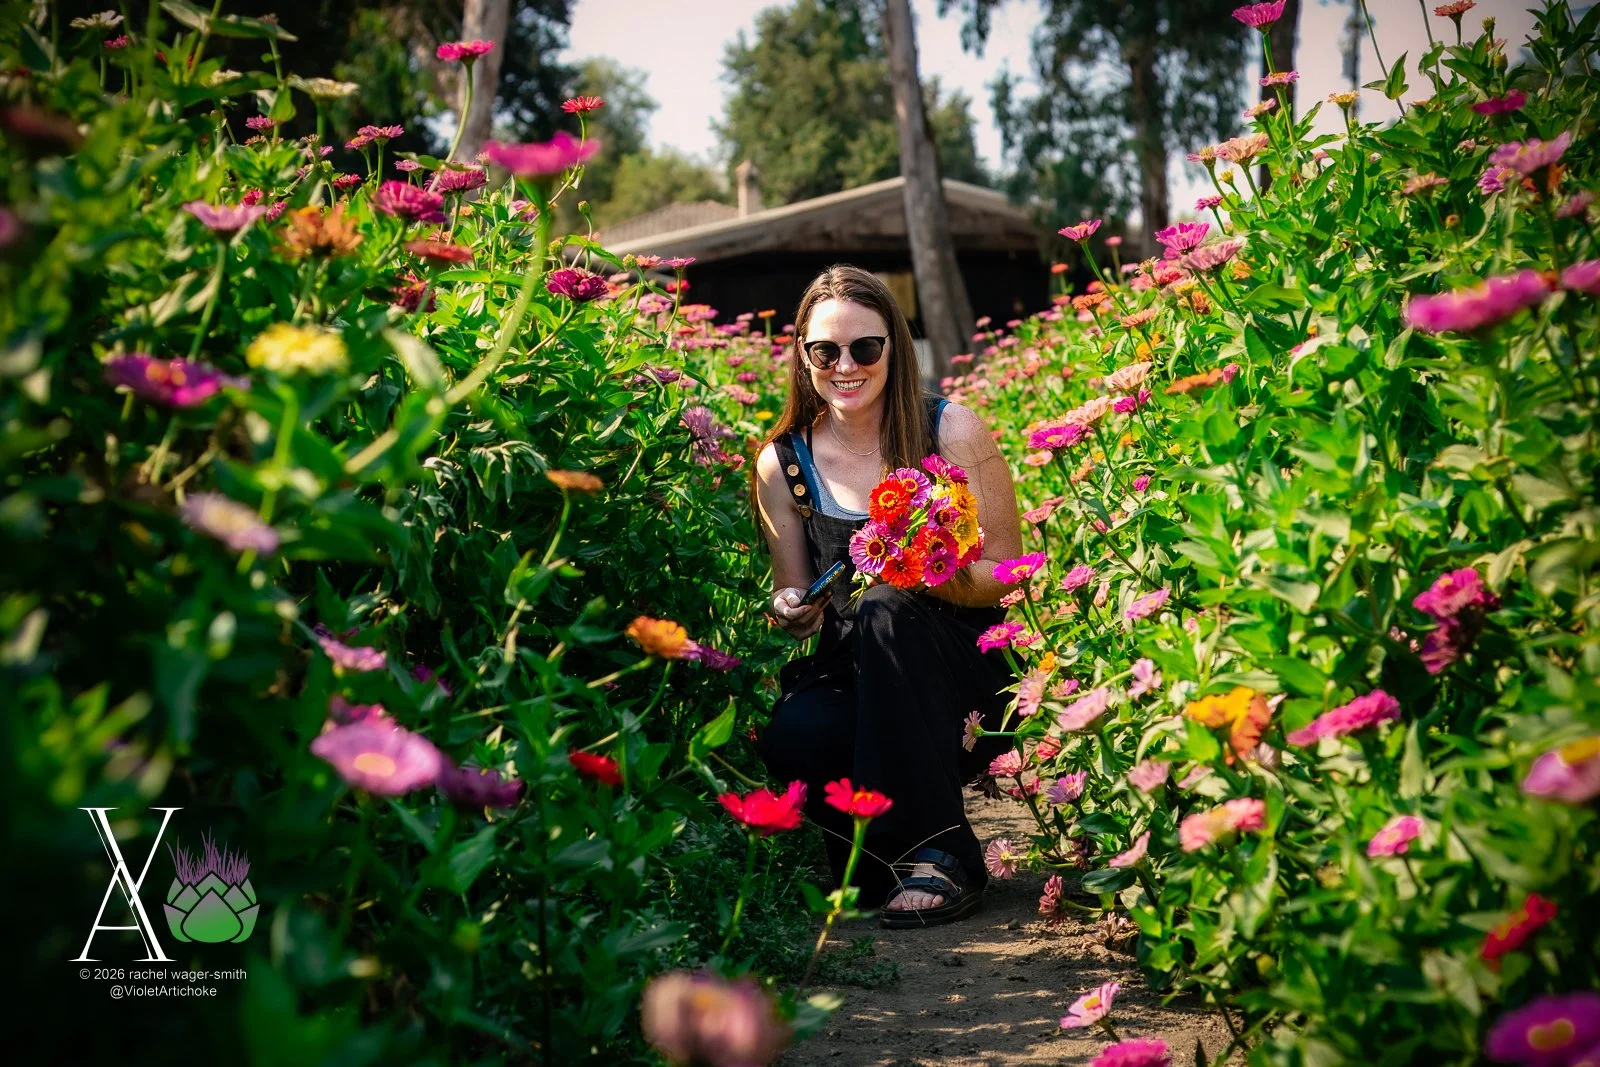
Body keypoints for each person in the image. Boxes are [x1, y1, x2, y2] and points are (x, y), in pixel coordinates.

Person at [750, 265, 1024, 927]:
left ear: (895, 348)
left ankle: (944, 853)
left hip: (964, 670)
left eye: (865, 347)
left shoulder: (950, 428)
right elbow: (789, 596)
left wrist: (936, 572)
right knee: (794, 731)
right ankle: (877, 856)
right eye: (825, 351)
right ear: (803, 356)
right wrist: (790, 609)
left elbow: (1014, 576)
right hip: (853, 673)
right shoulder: (782, 463)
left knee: (885, 607)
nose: (846, 365)